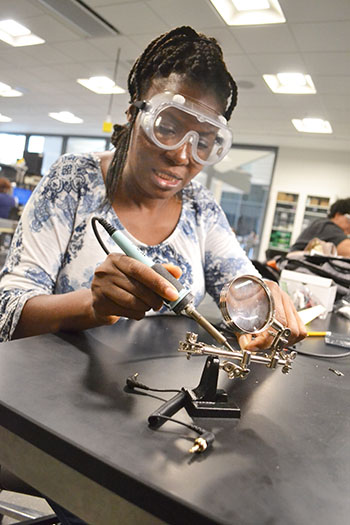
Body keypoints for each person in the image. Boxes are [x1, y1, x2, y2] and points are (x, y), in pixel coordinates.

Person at [0, 26, 306, 524]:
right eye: (168, 126)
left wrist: (261, 304)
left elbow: (240, 283)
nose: (183, 156)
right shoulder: (73, 181)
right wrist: (91, 306)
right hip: (58, 420)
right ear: (134, 115)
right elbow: (5, 311)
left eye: (204, 142)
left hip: (149, 425)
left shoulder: (203, 209)